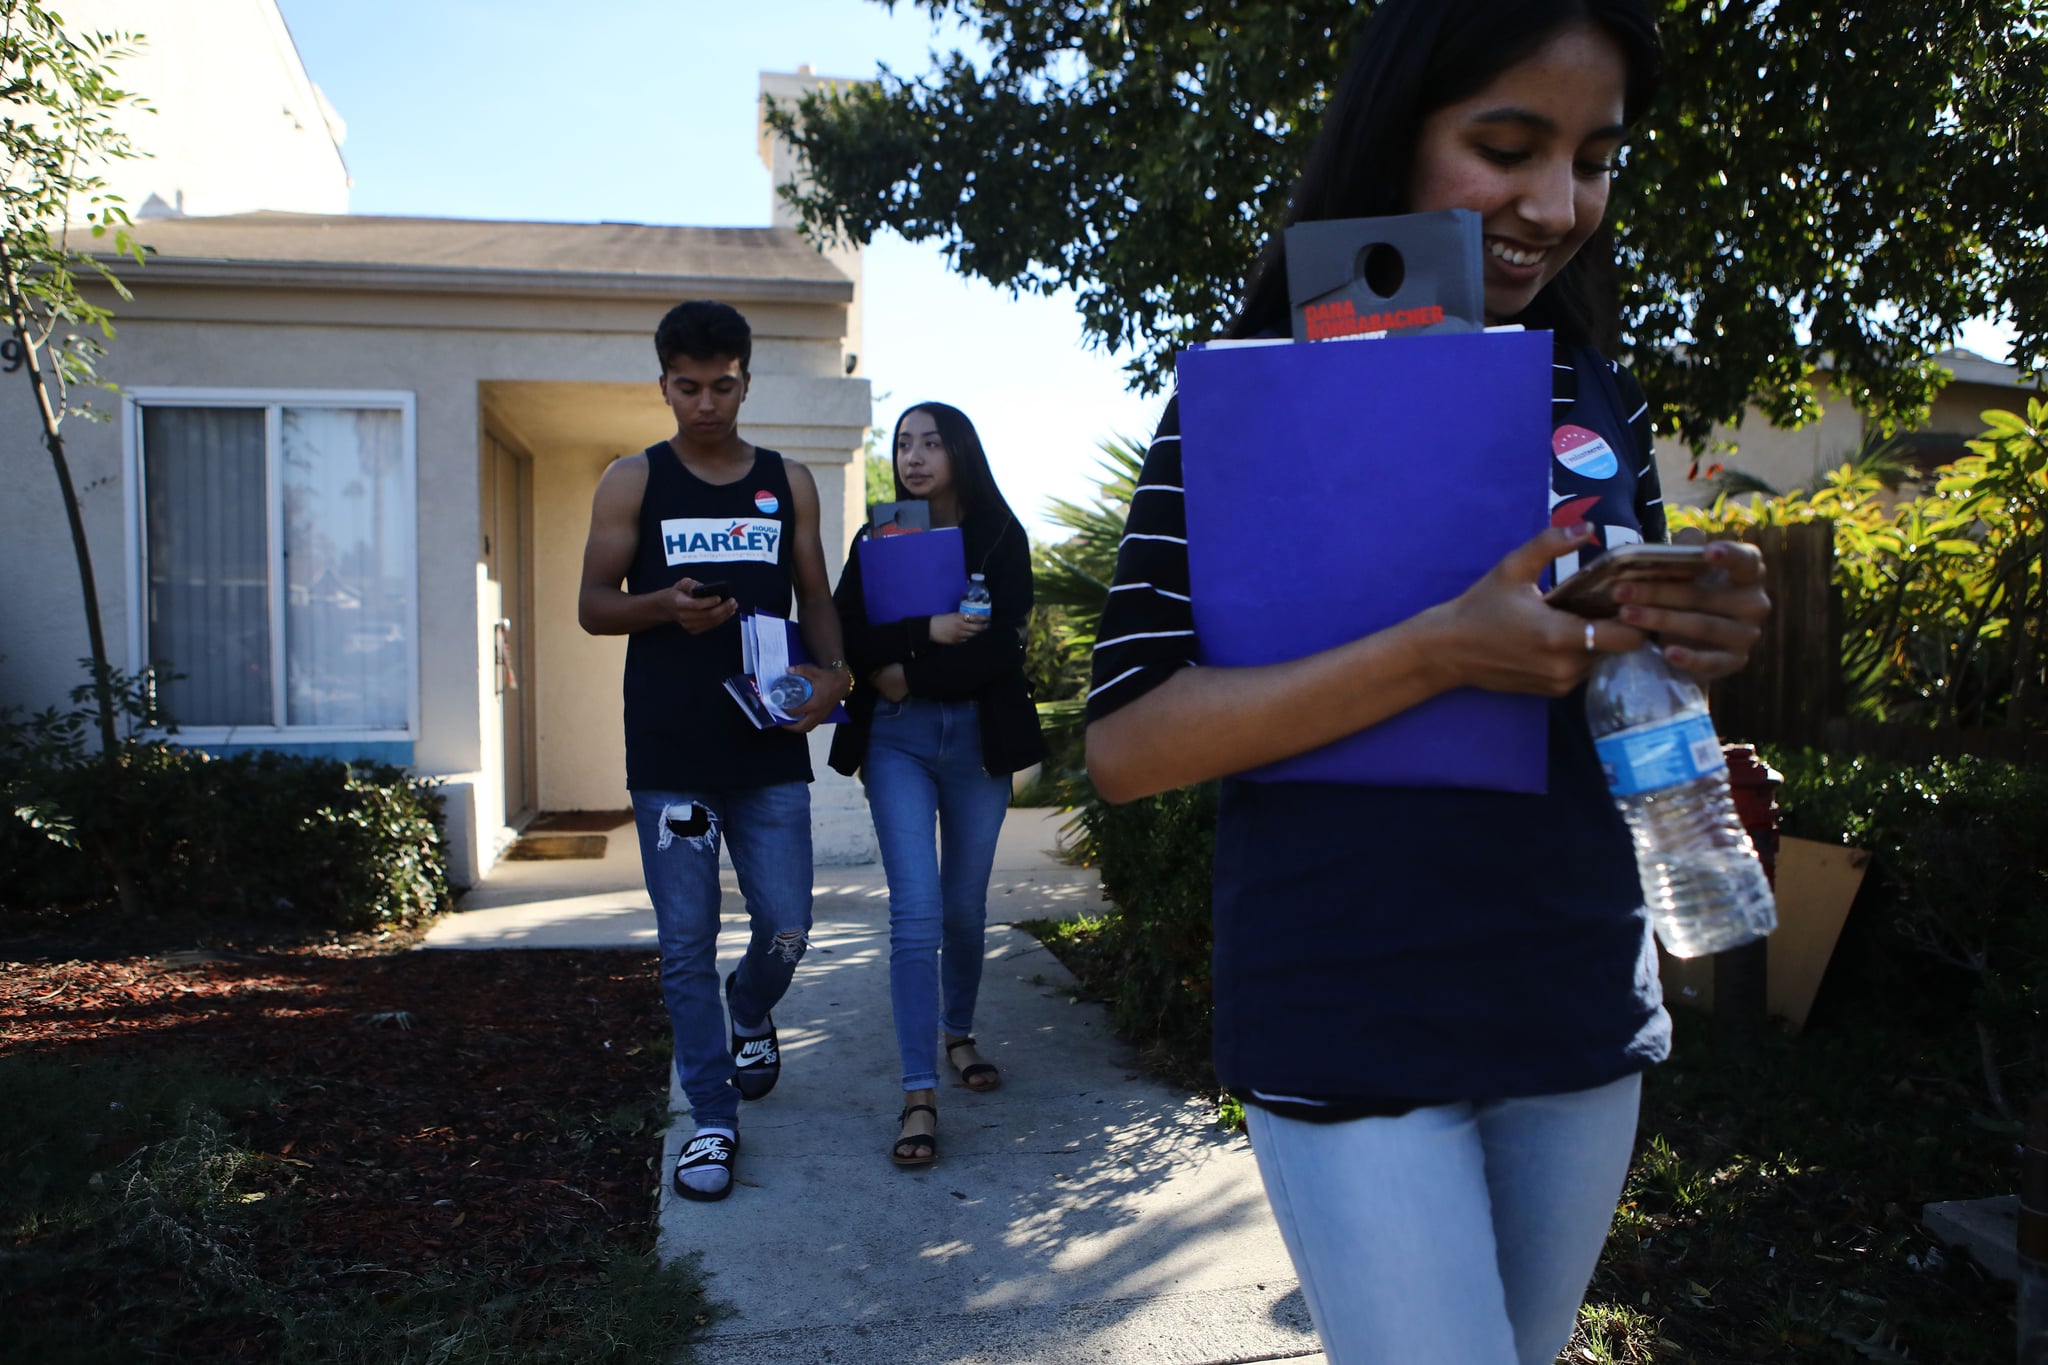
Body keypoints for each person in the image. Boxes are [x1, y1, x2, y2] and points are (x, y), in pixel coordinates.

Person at [1084, 2, 1771, 1361]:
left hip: (1574, 987)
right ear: (1396, 137)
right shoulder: (1250, 396)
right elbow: (1127, 745)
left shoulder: (1593, 391)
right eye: (1507, 145)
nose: (1556, 201)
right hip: (1351, 998)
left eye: (1594, 157)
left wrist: (1689, 642)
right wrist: (1438, 650)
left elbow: (1605, 672)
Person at [577, 299, 853, 1203]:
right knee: (684, 945)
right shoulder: (633, 479)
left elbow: (815, 591)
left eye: (722, 385)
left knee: (789, 926)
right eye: (687, 386)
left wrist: (833, 675)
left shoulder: (787, 479)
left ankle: (751, 1008)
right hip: (669, 755)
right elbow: (592, 604)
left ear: (745, 379)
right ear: (662, 384)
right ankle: (711, 1120)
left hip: (767, 743)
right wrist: (662, 606)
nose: (705, 402)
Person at [827, 403, 1045, 1167]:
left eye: (930, 441)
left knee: (963, 905)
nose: (913, 455)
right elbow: (847, 628)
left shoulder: (1000, 535)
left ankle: (958, 1032)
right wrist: (926, 633)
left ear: (960, 450)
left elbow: (1001, 653)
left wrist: (902, 666)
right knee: (916, 909)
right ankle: (919, 1093)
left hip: (980, 739)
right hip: (899, 739)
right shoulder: (881, 533)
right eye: (902, 443)